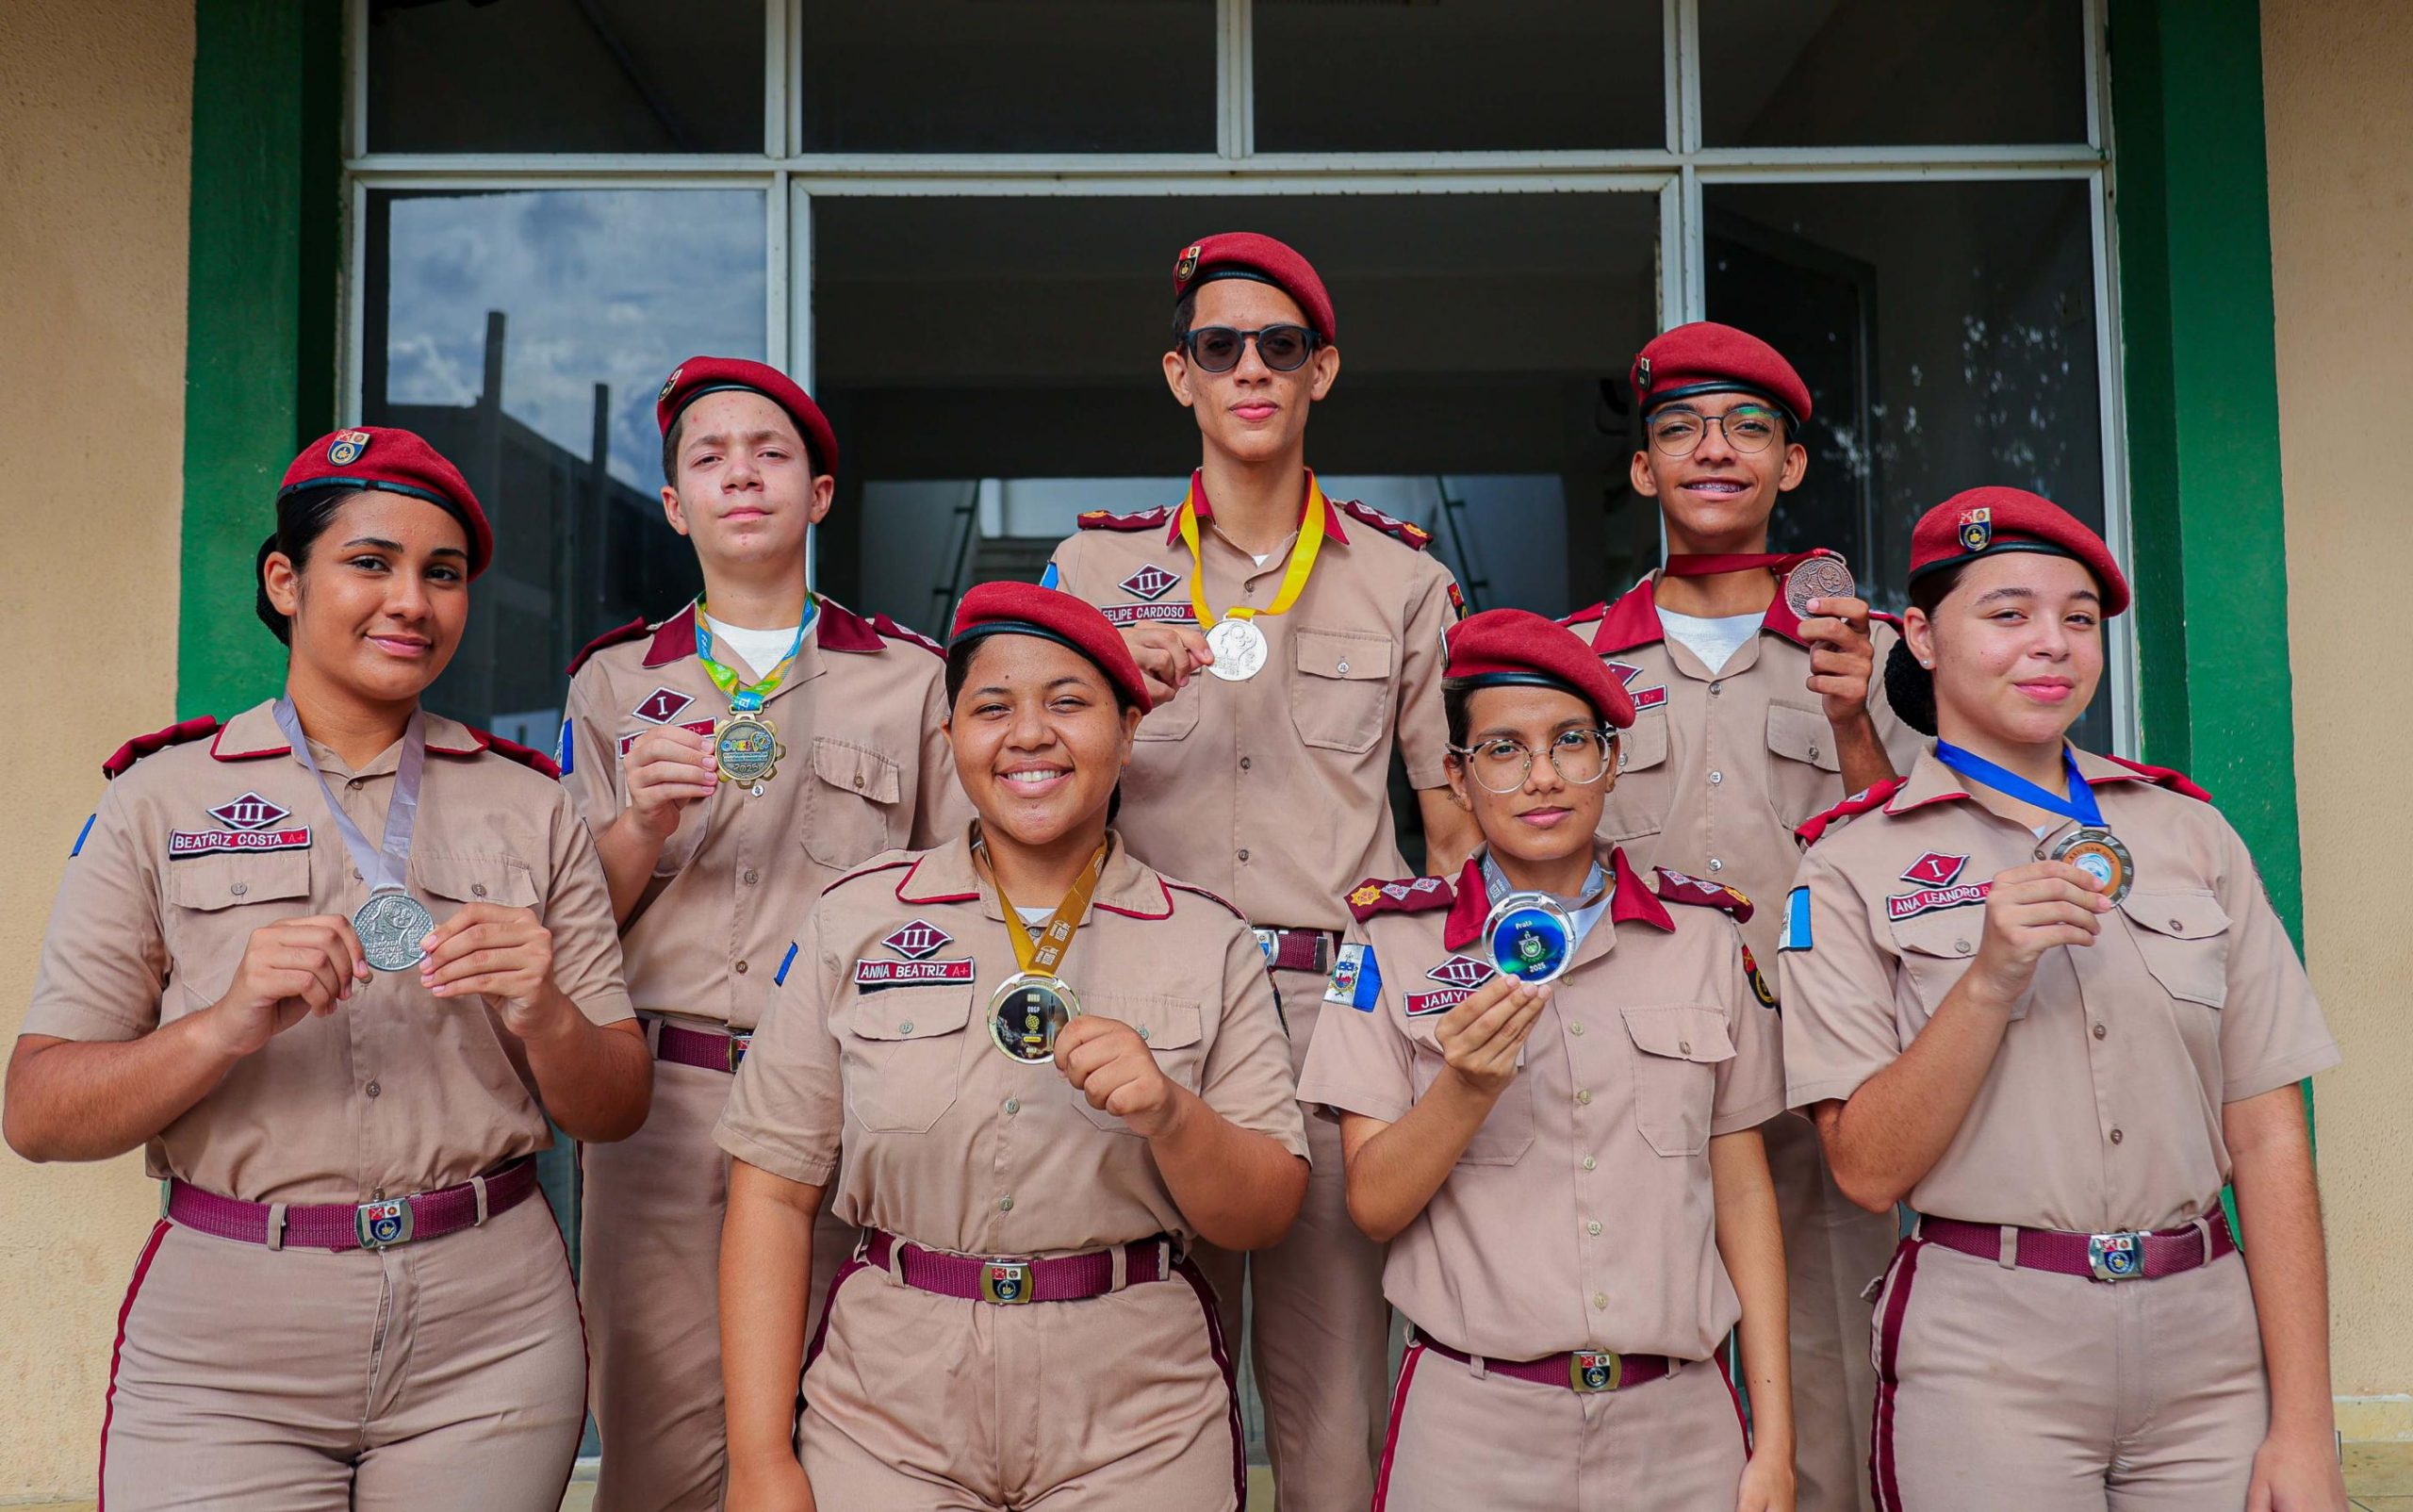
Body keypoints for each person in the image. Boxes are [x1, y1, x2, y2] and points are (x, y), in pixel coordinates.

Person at [6, 426, 650, 1509]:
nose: (411, 600)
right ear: (284, 580)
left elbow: (617, 1104)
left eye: (442, 573)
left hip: (486, 1330)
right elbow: (37, 1112)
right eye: (370, 561)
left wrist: (545, 1009)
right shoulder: (158, 797)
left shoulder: (530, 804)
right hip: (226, 1345)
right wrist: (221, 1024)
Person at [1780, 488, 2347, 1512]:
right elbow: (1865, 1167)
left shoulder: (2188, 833)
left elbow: (2267, 1134)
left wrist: (2305, 1424)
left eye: (2078, 618)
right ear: (1921, 636)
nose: (2051, 643)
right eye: (2008, 613)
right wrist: (1989, 977)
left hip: (2209, 1347)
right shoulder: (1850, 864)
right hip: (1988, 1349)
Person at [1042, 231, 1475, 1510]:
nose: (1249, 369)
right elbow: (1025, 799)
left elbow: (1452, 828)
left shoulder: (1404, 578)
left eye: (1278, 347)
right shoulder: (1091, 573)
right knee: (1138, 1400)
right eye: (1218, 346)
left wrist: (1440, 1024)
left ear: (1319, 371)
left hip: (1331, 1013)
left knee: (1331, 1415)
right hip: (1136, 1004)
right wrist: (1107, 696)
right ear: (1179, 373)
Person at [714, 581, 1309, 1511]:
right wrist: (758, 1461)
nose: (1029, 734)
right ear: (949, 737)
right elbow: (772, 1194)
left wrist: (1171, 1114)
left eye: (1068, 703)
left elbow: (1264, 1216)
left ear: (1127, 729)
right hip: (886, 1407)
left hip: (1135, 1414)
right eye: (992, 708)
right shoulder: (856, 919)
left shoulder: (1208, 938)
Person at [561, 356, 965, 1512]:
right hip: (666, 1104)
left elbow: (958, 901)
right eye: (709, 457)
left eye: (770, 453)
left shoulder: (910, 680)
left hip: (852, 1097)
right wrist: (639, 824)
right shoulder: (612, 683)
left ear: (820, 493)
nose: (741, 475)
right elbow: (573, 926)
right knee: (661, 1447)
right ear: (674, 504)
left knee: (854, 1435)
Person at [1300, 607, 1796, 1512]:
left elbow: (1743, 1195)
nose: (1542, 776)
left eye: (1572, 741)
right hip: (1473, 1424)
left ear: (1612, 758)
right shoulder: (1391, 943)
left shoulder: (1703, 937)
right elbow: (1371, 1205)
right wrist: (1464, 1087)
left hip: (1680, 1423)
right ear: (1456, 776)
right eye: (1503, 750)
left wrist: (1775, 1442)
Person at [1559, 320, 1922, 1512]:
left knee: (1828, 1387)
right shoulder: (1574, 663)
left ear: (1791, 462)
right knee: (1623, 1382)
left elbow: (1917, 868)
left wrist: (1855, 720)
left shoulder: (1867, 650)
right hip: (1624, 1088)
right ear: (1642, 467)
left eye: (1747, 428)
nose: (1713, 449)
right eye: (1680, 429)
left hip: (1817, 1083)